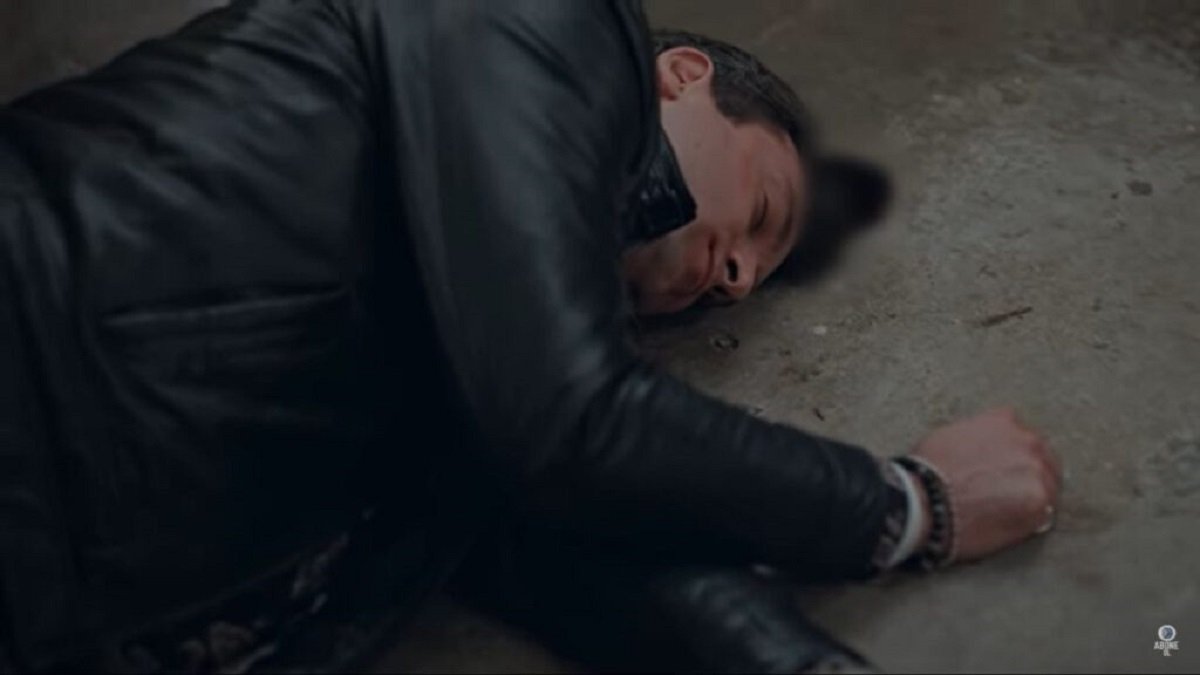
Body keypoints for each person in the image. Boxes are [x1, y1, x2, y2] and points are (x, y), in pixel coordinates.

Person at [0, 1, 1060, 672]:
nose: (736, 276)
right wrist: (905, 505)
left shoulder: (486, 363)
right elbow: (576, 423)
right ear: (682, 76)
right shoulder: (535, 21)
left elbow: (579, 552)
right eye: (762, 213)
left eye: (749, 277)